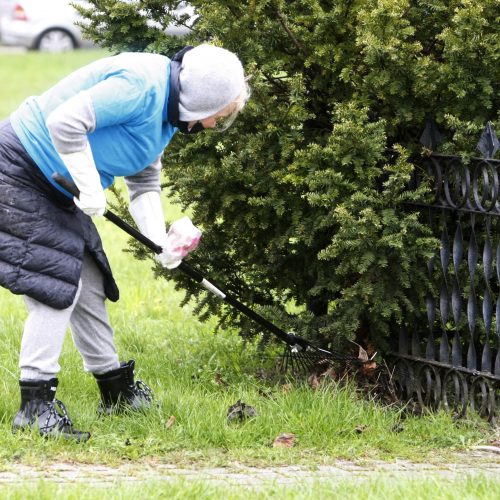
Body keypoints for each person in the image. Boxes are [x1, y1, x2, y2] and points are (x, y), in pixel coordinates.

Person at [0, 44, 250, 442]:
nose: (215, 124)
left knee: (89, 281)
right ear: (201, 102)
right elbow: (65, 123)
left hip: (57, 185)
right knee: (56, 283)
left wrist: (159, 244)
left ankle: (115, 392)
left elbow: (144, 180)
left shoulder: (168, 116)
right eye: (218, 116)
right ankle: (34, 409)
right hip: (18, 170)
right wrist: (87, 183)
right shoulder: (141, 86)